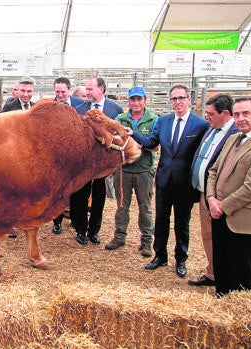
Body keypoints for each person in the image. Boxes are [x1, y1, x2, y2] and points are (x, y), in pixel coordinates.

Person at [127, 84, 209, 278]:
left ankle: (181, 259)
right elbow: (151, 143)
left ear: (189, 99)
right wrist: (134, 134)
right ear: (170, 101)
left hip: (184, 183)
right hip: (164, 180)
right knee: (161, 220)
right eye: (174, 99)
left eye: (181, 98)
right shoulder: (163, 121)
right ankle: (159, 255)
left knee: (182, 223)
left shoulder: (200, 125)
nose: (178, 102)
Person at [207, 97, 251, 297]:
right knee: (222, 259)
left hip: (241, 217)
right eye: (237, 114)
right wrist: (211, 198)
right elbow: (214, 170)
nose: (240, 118)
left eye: (246, 113)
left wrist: (222, 206)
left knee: (241, 264)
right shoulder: (233, 139)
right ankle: (221, 294)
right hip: (219, 211)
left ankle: (240, 304)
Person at [187, 94, 239, 287]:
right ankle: (213, 272)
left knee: (223, 238)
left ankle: (225, 277)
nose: (206, 117)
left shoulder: (234, 134)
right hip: (205, 193)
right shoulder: (212, 129)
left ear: (225, 113)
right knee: (208, 234)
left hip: (221, 196)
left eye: (210, 113)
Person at [67, 77, 124, 245]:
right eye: (87, 89)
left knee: (99, 195)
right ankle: (80, 229)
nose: (87, 92)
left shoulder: (115, 109)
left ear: (102, 89)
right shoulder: (79, 109)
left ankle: (94, 230)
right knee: (80, 195)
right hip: (84, 162)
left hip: (104, 162)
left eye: (90, 89)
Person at [104, 86, 158, 256]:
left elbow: (155, 145)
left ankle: (147, 241)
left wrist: (135, 140)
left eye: (139, 99)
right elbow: (111, 140)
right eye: (133, 99)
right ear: (128, 101)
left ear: (145, 101)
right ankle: (119, 237)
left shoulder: (153, 120)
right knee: (122, 205)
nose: (136, 103)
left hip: (144, 170)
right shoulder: (120, 118)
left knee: (145, 206)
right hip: (124, 170)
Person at [50, 77, 85, 234]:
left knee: (76, 189)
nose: (60, 95)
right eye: (57, 92)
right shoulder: (49, 106)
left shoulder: (80, 105)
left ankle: (76, 221)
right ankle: (56, 221)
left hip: (75, 154)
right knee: (57, 190)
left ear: (69, 90)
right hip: (56, 155)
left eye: (63, 92)